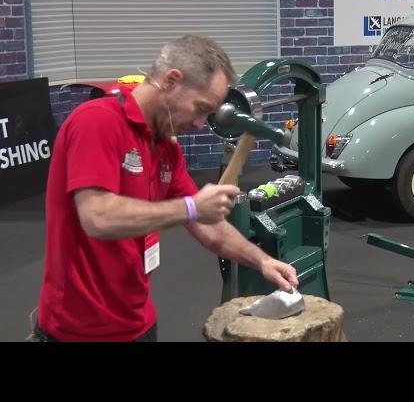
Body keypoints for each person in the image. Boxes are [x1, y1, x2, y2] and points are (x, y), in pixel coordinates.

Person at [32, 35, 298, 342]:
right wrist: (192, 206)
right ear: (171, 81)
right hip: (77, 332)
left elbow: (206, 225)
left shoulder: (166, 148)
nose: (200, 124)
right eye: (200, 108)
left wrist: (262, 261)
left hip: (138, 323)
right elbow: (97, 217)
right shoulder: (97, 121)